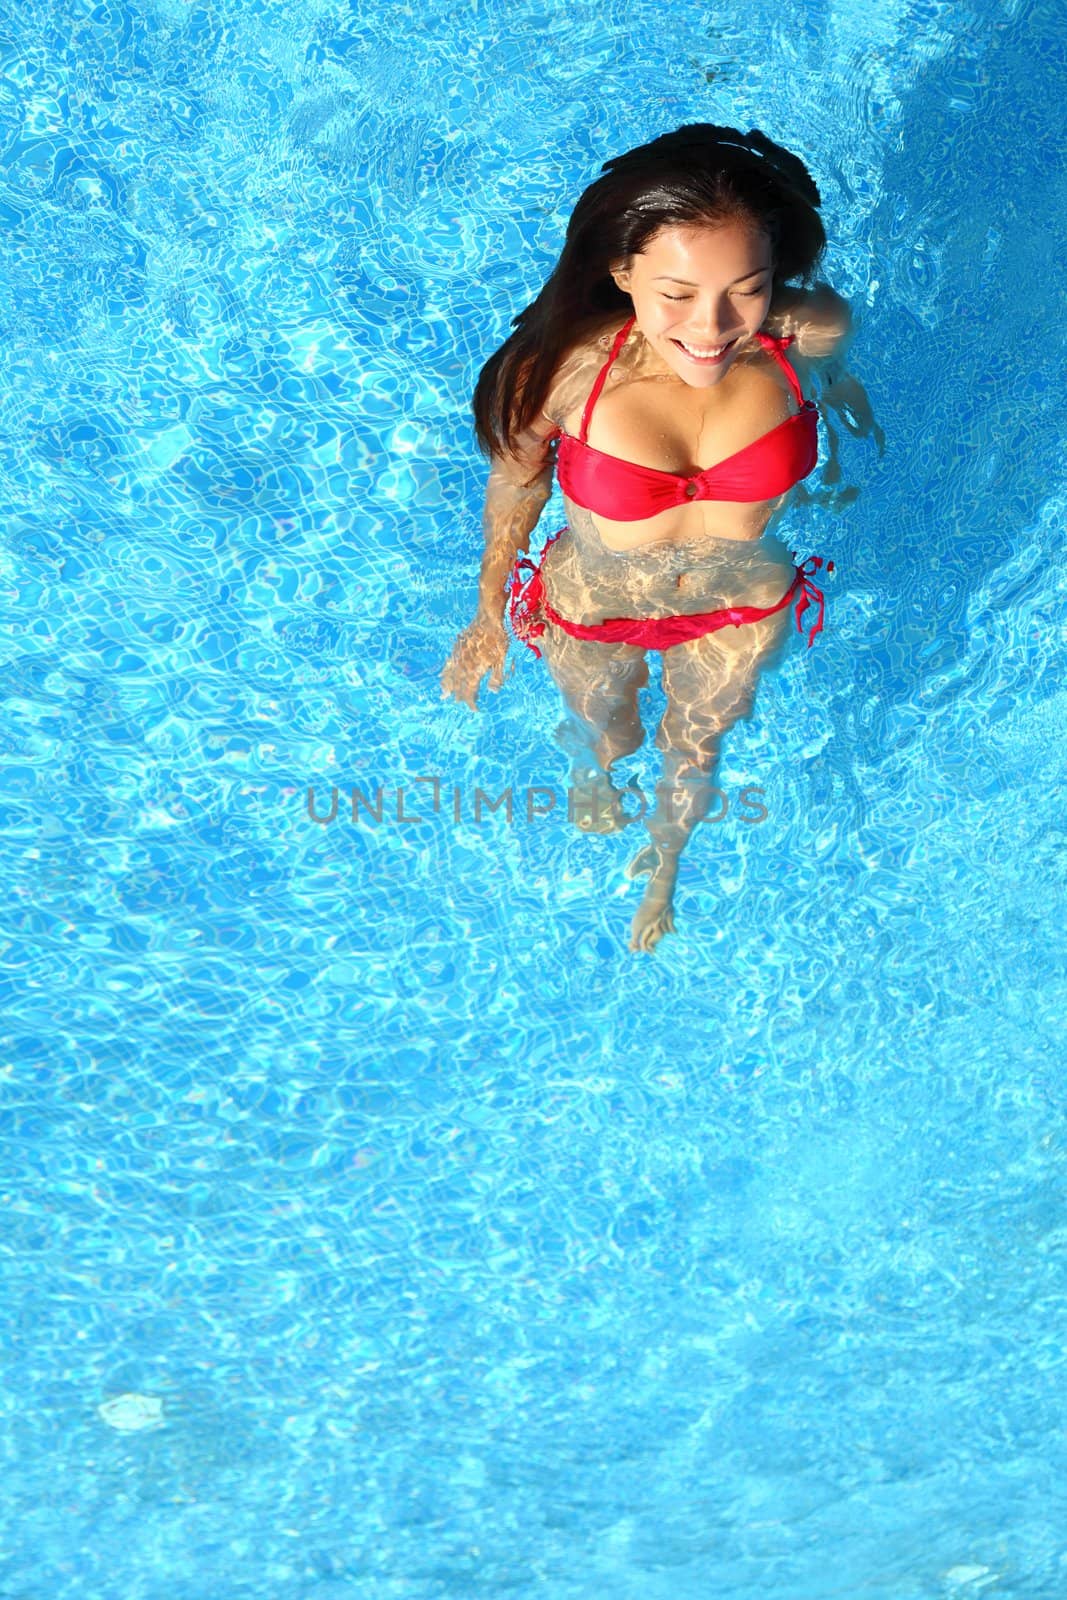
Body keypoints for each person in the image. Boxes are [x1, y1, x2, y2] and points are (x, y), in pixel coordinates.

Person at [441, 124, 878, 953]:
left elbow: (837, 384)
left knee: (694, 748)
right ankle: (592, 774)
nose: (711, 328)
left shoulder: (805, 335)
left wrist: (852, 431)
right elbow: (515, 485)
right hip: (592, 609)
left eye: (744, 290)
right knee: (610, 734)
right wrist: (487, 613)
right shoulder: (568, 372)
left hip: (739, 608)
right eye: (674, 294)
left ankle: (666, 871)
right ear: (621, 274)